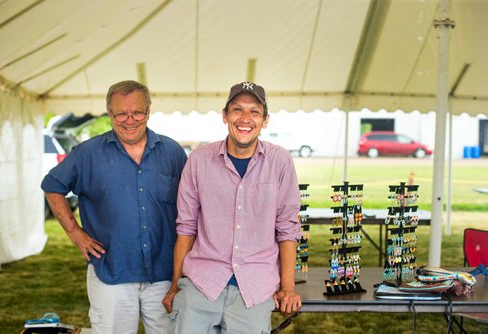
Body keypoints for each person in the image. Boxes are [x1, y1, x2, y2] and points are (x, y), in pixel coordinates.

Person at [41, 80, 187, 334]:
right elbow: (52, 186)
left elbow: (191, 205)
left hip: (165, 274)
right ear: (110, 114)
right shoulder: (87, 154)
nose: (129, 120)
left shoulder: (173, 152)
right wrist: (76, 234)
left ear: (148, 112)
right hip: (111, 270)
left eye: (137, 112)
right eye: (121, 113)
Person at [162, 81, 302, 333]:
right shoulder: (199, 160)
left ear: (265, 120)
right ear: (225, 116)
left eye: (254, 111)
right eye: (237, 110)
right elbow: (186, 228)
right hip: (201, 282)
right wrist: (175, 285)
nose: (245, 118)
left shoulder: (280, 161)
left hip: (255, 287)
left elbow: (288, 229)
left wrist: (288, 287)